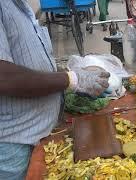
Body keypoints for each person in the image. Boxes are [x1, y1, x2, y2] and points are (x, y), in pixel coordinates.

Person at [0, 1, 110, 179]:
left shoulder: (16, 4)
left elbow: (29, 63)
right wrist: (71, 80)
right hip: (13, 147)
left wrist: (72, 76)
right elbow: (3, 77)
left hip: (37, 136)